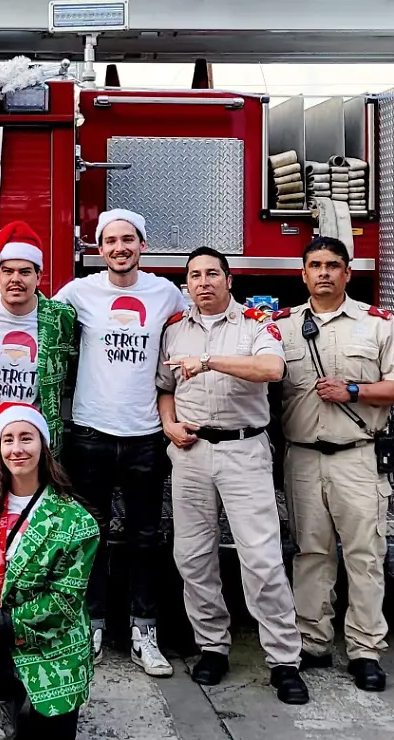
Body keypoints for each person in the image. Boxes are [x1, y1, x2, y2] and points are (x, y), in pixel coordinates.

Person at [156, 248, 307, 704]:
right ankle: (212, 647)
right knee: (192, 556)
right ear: (186, 284)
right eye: (194, 275)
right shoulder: (174, 330)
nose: (203, 282)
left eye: (212, 274)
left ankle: (283, 660)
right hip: (191, 452)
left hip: (244, 451)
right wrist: (169, 425)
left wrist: (208, 360)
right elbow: (165, 389)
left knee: (261, 558)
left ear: (229, 280)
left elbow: (271, 369)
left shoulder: (256, 324)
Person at [278, 236, 394, 692]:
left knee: (365, 556)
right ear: (303, 274)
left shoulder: (376, 324)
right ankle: (313, 641)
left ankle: (365, 650)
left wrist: (354, 390)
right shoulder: (280, 328)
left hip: (357, 457)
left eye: (333, 265)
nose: (324, 272)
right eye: (315, 265)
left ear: (348, 272)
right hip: (302, 457)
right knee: (310, 554)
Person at [52, 209, 187, 676]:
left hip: (145, 436)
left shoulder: (165, 293)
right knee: (88, 536)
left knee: (145, 539)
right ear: (99, 248)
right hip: (90, 434)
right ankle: (90, 626)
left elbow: (204, 321)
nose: (119, 248)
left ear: (142, 245)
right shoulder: (79, 291)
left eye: (128, 239)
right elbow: (28, 313)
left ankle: (143, 632)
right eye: (110, 241)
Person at [0, 404, 99, 740]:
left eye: (27, 438)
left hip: (50, 634)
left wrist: (2, 621)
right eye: (8, 439)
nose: (17, 449)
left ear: (43, 445)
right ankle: (5, 695)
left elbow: (64, 602)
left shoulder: (77, 522)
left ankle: (33, 689)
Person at [0, 222, 77, 473]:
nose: (15, 279)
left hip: (37, 452)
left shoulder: (61, 318)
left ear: (39, 276)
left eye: (25, 272)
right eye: (8, 271)